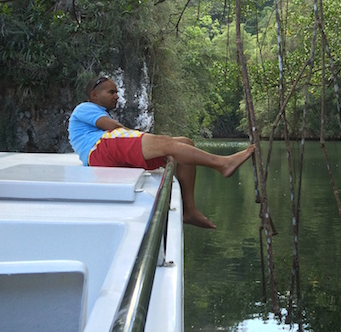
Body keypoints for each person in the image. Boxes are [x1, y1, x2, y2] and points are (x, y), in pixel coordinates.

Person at [68, 75, 255, 229]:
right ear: (94, 95)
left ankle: (189, 209)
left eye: (117, 92)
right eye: (111, 92)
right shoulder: (86, 108)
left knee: (185, 143)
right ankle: (221, 163)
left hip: (105, 154)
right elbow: (114, 128)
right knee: (165, 143)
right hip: (99, 149)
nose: (117, 96)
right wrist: (155, 143)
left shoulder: (95, 111)